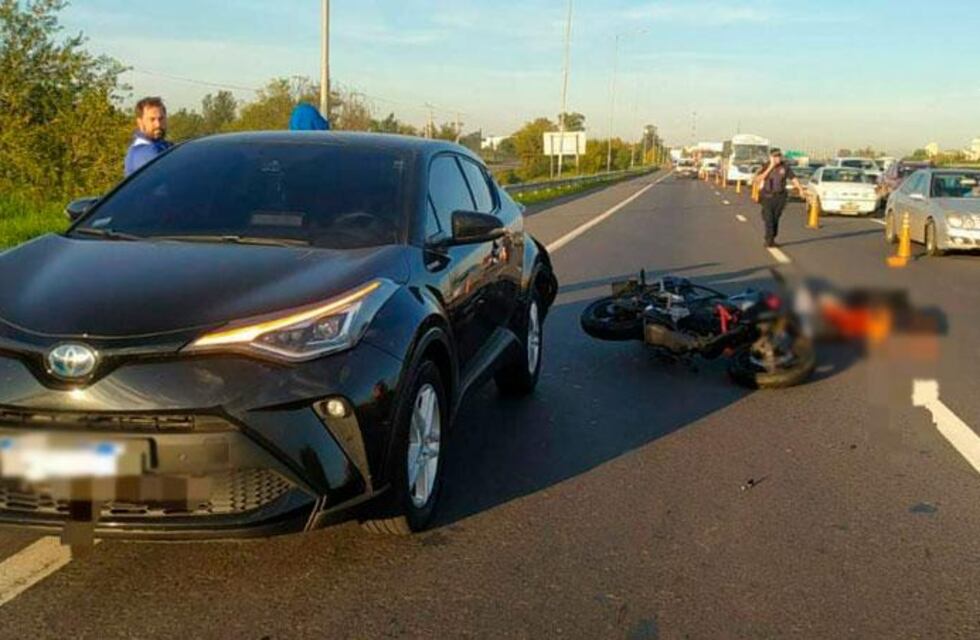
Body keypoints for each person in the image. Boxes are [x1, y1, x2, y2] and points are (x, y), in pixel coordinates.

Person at [755, 148, 803, 248]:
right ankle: (768, 240)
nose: (777, 158)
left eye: (778, 156)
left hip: (780, 196)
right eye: (775, 156)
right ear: (771, 157)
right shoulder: (765, 166)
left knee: (775, 218)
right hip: (767, 196)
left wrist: (800, 189)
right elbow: (758, 179)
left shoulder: (785, 167)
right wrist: (770, 167)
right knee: (768, 218)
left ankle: (772, 237)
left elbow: (793, 178)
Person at [124, 97, 173, 177]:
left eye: (161, 119)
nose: (158, 124)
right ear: (140, 122)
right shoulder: (144, 152)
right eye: (152, 119)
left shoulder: (164, 146)